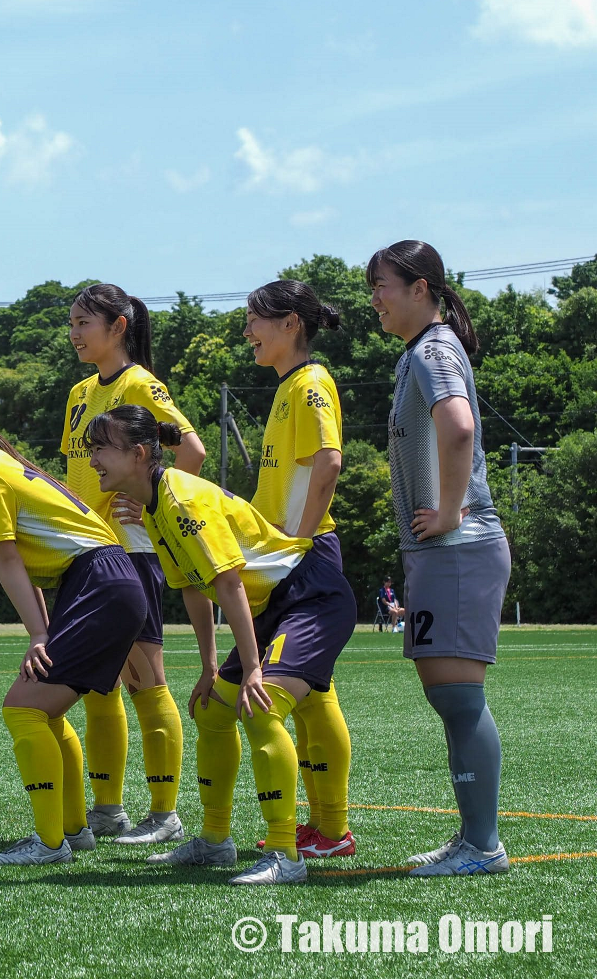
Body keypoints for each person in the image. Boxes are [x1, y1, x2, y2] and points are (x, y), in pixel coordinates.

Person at [87, 406, 357, 884]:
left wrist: (252, 668)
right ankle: (214, 841)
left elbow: (229, 584)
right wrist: (210, 669)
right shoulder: (155, 508)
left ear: (139, 453)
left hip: (309, 595)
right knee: (212, 711)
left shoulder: (181, 498)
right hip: (273, 606)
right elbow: (194, 588)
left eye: (101, 449)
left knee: (261, 705)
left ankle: (284, 855)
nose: (93, 461)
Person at [0, 389, 149, 865]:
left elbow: (7, 560)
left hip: (98, 582)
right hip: (102, 579)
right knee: (42, 709)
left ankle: (49, 843)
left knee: (22, 709)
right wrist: (43, 628)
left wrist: (39, 634)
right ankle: (72, 831)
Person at [369, 239, 511, 876]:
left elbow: (458, 427)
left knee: (459, 699)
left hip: (460, 546)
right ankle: (472, 840)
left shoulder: (433, 349)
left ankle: (482, 845)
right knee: (450, 698)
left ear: (420, 288)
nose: (375, 300)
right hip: (441, 553)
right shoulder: (420, 352)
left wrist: (451, 512)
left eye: (383, 286)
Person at [61, 284, 204, 845]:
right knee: (100, 688)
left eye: (82, 323)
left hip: (132, 553)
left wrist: (153, 506)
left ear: (118, 326)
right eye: (70, 322)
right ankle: (107, 810)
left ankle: (165, 815)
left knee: (147, 683)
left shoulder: (141, 384)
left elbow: (188, 450)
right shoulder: (77, 394)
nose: (73, 333)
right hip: (84, 552)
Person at [242, 280, 357, 858]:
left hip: (305, 562)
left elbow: (329, 462)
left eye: (254, 321)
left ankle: (329, 832)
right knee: (314, 694)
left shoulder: (311, 383)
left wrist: (300, 540)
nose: (247, 333)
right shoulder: (290, 385)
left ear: (291, 323)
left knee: (283, 696)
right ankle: (328, 832)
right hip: (284, 562)